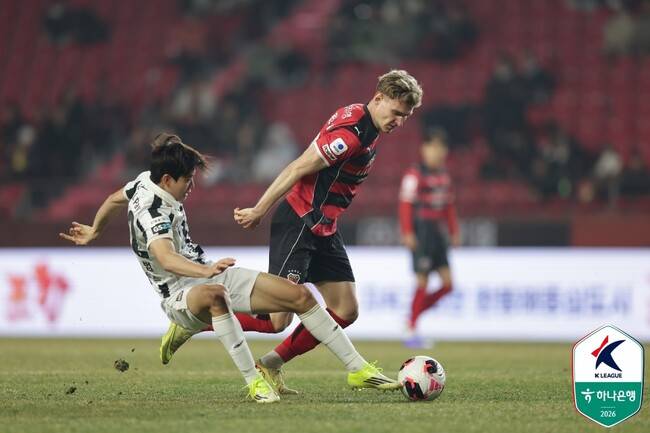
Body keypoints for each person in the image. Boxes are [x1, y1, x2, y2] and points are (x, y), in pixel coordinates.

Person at [59, 133, 400, 403]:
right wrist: (204, 273)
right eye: (187, 180)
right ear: (167, 179)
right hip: (178, 294)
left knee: (299, 297)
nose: (191, 186)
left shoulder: (143, 182)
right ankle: (255, 383)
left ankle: (358, 369)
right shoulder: (153, 211)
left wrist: (95, 230)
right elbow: (165, 258)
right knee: (216, 295)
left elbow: (113, 199)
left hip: (206, 271)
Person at [225, 69, 422, 394]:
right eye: (396, 112)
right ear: (378, 98)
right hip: (300, 222)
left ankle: (270, 364)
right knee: (276, 321)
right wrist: (260, 209)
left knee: (346, 309)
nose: (398, 122)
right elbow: (298, 167)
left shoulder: (365, 122)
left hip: (324, 228)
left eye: (405, 117)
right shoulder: (352, 136)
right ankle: (201, 316)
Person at [398, 130, 459, 348]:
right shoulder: (414, 174)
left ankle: (412, 317)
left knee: (448, 284)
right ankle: (412, 328)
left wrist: (453, 231)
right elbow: (405, 204)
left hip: (437, 232)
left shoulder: (444, 176)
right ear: (423, 150)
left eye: (440, 148)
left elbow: (449, 206)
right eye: (432, 147)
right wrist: (407, 232)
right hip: (421, 231)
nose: (436, 152)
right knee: (422, 280)